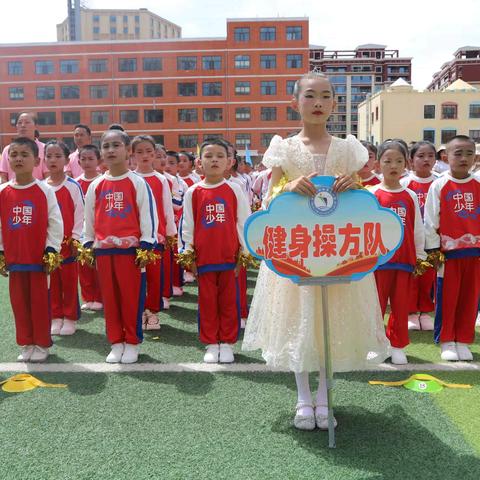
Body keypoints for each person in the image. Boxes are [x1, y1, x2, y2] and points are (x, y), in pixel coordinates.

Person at [242, 72, 390, 431]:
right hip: (297, 254)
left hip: (337, 254)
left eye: (326, 96)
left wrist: (351, 185)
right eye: (310, 96)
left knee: (328, 326)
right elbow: (268, 200)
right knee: (298, 324)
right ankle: (302, 397)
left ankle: (325, 395)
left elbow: (359, 201)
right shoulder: (284, 149)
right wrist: (289, 185)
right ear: (296, 103)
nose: (318, 103)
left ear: (335, 105)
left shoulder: (346, 149)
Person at [84, 129, 158, 364]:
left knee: (131, 298)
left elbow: (148, 216)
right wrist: (88, 243)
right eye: (106, 146)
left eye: (116, 145)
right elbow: (89, 219)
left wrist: (146, 244)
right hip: (104, 252)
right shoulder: (96, 185)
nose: (111, 150)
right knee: (110, 298)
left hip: (131, 253)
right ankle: (116, 342)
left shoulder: (138, 182)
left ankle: (132, 341)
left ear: (128, 151)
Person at [178, 138, 250, 364]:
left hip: (229, 258)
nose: (214, 160)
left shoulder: (234, 189)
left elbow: (243, 222)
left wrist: (244, 254)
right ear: (199, 162)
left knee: (229, 302)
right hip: (204, 259)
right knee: (207, 302)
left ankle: (227, 343)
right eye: (209, 156)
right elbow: (187, 225)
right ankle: (211, 343)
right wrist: (188, 254)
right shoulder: (193, 191)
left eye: (220, 156)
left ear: (229, 162)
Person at [0, 137, 63, 362]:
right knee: (19, 303)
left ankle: (42, 343)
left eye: (24, 154)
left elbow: (55, 222)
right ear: (8, 160)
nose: (18, 158)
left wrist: (51, 249)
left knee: (39, 302)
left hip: (38, 259)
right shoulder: (3, 191)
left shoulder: (44, 190)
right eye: (14, 154)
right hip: (15, 259)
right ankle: (26, 342)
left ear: (37, 161)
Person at [424, 135, 480, 362]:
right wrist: (433, 252)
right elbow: (430, 221)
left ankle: (464, 340)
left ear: (475, 157)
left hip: (475, 253)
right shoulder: (439, 185)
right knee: (447, 298)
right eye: (458, 153)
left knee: (471, 298)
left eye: (469, 153)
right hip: (448, 256)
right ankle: (447, 340)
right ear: (446, 157)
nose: (464, 158)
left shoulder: (478, 185)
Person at [371, 140, 427, 365]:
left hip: (403, 261)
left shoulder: (410, 195)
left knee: (401, 306)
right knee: (375, 306)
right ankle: (375, 344)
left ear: (406, 164)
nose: (393, 165)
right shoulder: (371, 193)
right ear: (378, 164)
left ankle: (397, 345)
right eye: (387, 161)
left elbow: (418, 228)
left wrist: (420, 255)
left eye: (398, 161)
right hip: (377, 263)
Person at [133, 135, 176, 329]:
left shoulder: (161, 180)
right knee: (136, 278)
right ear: (132, 155)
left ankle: (152, 313)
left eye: (149, 152)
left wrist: (169, 234)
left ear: (155, 154)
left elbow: (167, 208)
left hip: (156, 237)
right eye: (139, 152)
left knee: (154, 276)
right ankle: (138, 312)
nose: (145, 155)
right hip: (133, 239)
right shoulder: (130, 179)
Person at [45, 141, 84, 336]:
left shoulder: (73, 186)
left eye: (57, 156)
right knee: (51, 283)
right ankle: (56, 316)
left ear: (67, 160)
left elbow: (80, 214)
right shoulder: (42, 188)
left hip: (68, 245)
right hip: (48, 246)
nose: (53, 160)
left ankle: (69, 318)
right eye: (49, 156)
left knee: (69, 282)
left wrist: (76, 238)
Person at [400, 141, 438, 330]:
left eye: (430, 156)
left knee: (427, 277)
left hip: (432, 240)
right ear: (411, 161)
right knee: (411, 277)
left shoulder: (439, 182)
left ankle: (425, 312)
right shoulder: (405, 183)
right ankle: (411, 313)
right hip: (411, 239)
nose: (426, 160)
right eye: (421, 156)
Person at [76, 145, 103, 310]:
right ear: (78, 161)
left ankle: (100, 297)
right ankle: (88, 297)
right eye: (83, 159)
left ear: (98, 161)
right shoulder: (76, 183)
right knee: (84, 265)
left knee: (99, 265)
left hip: (99, 230)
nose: (87, 162)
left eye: (91, 158)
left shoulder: (103, 181)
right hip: (80, 231)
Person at [0, 112, 49, 183]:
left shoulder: (45, 149)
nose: (23, 125)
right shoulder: (7, 149)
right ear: (16, 126)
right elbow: (3, 176)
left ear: (35, 126)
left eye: (27, 122)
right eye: (19, 123)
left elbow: (48, 176)